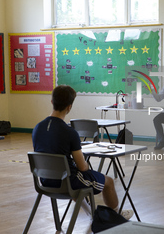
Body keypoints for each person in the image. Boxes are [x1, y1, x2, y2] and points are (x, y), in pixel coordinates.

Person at [32, 85, 133, 220]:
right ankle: (116, 216)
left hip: (44, 181)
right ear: (69, 107)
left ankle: (93, 214)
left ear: (52, 102)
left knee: (73, 176)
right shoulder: (69, 132)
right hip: (67, 183)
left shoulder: (37, 128)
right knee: (108, 182)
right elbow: (82, 167)